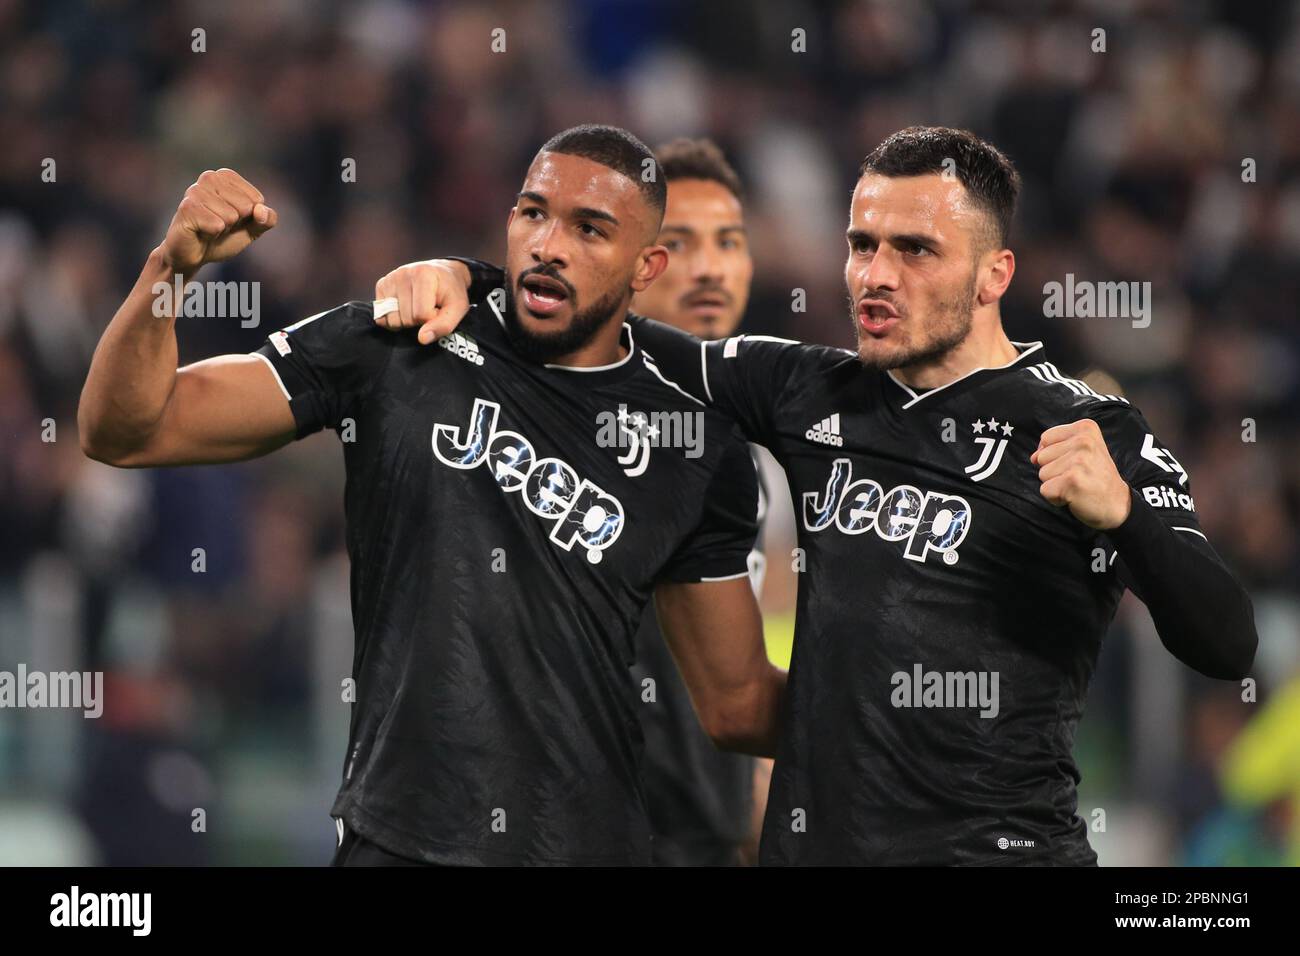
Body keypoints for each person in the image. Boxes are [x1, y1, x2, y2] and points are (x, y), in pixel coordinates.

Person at [414, 126, 1258, 865]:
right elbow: (611, 336)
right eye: (862, 244)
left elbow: (1226, 641)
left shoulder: (1084, 430)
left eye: (915, 250)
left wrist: (1127, 517)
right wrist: (467, 276)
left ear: (995, 273)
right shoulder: (808, 391)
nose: (874, 276)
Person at [77, 124, 784, 866]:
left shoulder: (694, 446)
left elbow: (736, 703)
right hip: (399, 841)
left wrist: (894, 720)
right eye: (533, 212)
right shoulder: (400, 341)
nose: (548, 243)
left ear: (646, 267)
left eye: (589, 229)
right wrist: (169, 270)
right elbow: (125, 430)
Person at [379, 137, 774, 866]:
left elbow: (737, 691)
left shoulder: (732, 451)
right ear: (641, 265)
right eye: (681, 243)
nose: (710, 268)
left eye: (730, 242)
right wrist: (459, 271)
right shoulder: (542, 420)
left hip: (708, 835)